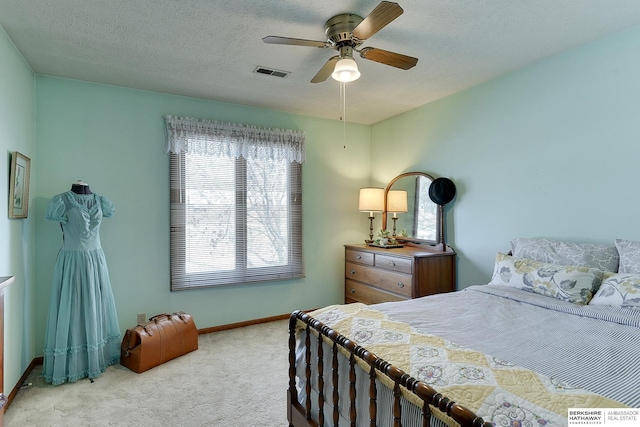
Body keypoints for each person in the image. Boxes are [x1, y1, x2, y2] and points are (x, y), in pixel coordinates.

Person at [43, 182, 120, 384]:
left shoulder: (101, 201)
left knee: (96, 307)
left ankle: (94, 359)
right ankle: (73, 364)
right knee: (73, 309)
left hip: (96, 261)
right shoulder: (62, 202)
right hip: (72, 261)